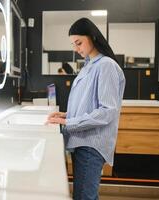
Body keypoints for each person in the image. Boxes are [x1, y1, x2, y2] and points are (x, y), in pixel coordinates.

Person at [46, 18, 125, 200]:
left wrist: (68, 121)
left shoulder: (106, 66)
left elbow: (107, 111)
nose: (76, 49)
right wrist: (66, 115)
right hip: (82, 140)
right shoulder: (90, 66)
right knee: (84, 196)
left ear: (92, 37)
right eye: (73, 44)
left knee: (84, 197)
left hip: (91, 144)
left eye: (79, 43)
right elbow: (89, 104)